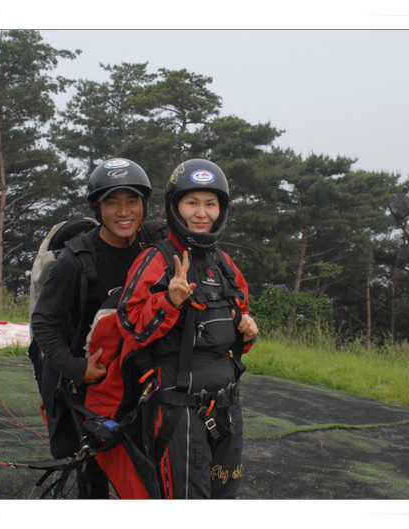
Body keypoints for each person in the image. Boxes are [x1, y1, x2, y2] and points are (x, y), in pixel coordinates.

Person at [114, 158, 258, 499]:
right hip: (178, 410)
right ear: (175, 207)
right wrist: (170, 300)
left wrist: (246, 330)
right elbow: (130, 327)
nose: (201, 213)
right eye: (192, 203)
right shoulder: (157, 259)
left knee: (225, 497)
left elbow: (234, 324)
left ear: (221, 210)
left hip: (227, 406)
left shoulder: (224, 264)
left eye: (210, 204)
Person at [30, 157, 166, 498]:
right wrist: (78, 369)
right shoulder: (76, 260)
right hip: (94, 385)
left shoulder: (154, 239)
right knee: (96, 468)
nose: (124, 212)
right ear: (97, 208)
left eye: (132, 201)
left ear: (144, 205)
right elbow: (44, 323)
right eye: (112, 203)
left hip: (138, 373)